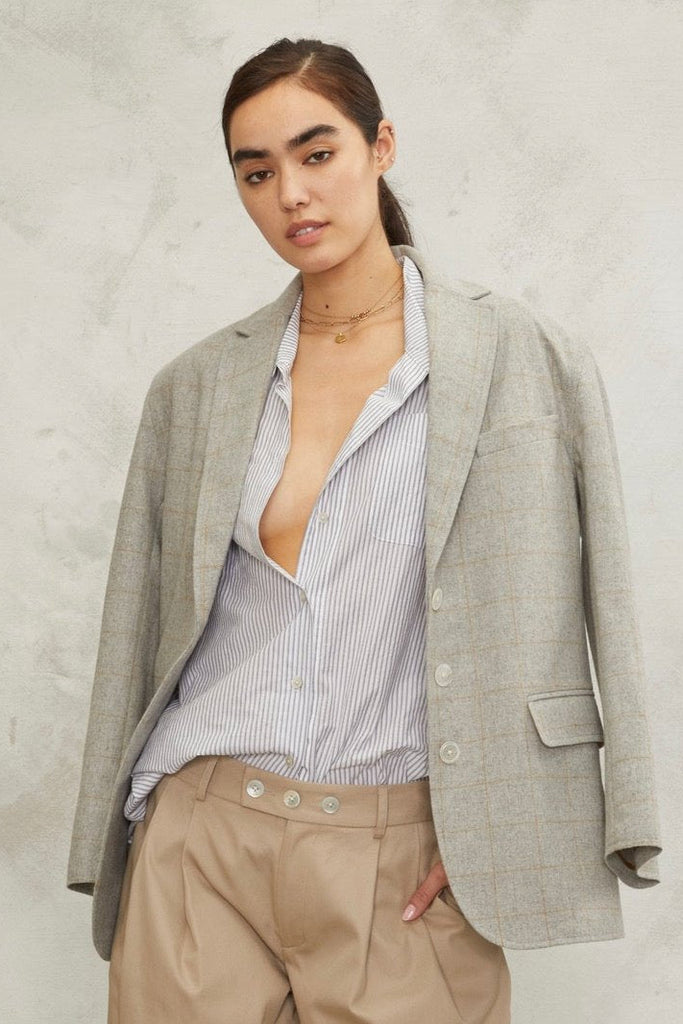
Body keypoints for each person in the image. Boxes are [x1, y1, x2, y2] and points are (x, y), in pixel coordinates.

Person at [67, 37, 662, 1024]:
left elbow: (602, 598)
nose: (291, 195)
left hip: (403, 854)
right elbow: (135, 627)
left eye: (317, 153)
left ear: (379, 146)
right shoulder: (194, 388)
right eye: (257, 173)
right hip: (199, 842)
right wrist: (129, 825)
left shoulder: (526, 359)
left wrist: (551, 821)